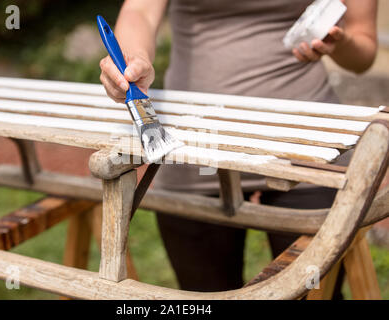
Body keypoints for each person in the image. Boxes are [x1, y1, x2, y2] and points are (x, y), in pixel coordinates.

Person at [99, 0, 378, 293]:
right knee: (203, 295)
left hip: (306, 144)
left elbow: (364, 50)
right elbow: (140, 11)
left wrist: (339, 43)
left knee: (314, 291)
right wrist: (133, 60)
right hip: (196, 142)